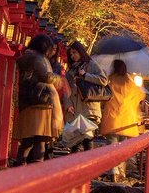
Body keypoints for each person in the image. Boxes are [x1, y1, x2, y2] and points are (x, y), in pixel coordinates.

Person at [12, 35, 60, 164]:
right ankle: (36, 170)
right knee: (40, 139)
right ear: (44, 47)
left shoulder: (28, 57)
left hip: (28, 102)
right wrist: (59, 79)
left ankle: (20, 166)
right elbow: (47, 77)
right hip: (40, 101)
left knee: (28, 140)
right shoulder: (38, 58)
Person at [98, 59, 145, 181]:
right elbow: (140, 96)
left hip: (112, 117)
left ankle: (113, 170)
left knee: (112, 145)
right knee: (124, 147)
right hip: (127, 119)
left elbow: (103, 96)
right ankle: (121, 171)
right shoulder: (130, 81)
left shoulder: (110, 79)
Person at [65, 40, 108, 152]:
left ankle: (89, 167)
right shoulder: (70, 71)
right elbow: (66, 90)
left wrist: (85, 75)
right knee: (75, 143)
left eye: (75, 52)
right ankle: (75, 168)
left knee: (87, 140)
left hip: (89, 109)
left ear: (80, 51)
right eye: (71, 54)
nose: (73, 56)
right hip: (75, 109)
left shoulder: (91, 64)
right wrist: (68, 104)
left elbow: (103, 80)